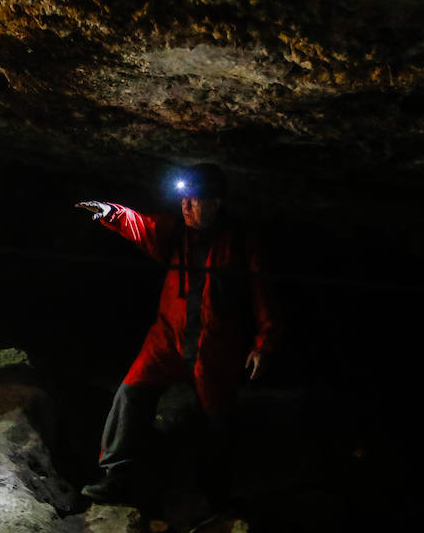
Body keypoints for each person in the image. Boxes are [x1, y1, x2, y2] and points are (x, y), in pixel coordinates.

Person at [76, 163, 280, 505]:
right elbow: (142, 225)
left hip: (215, 347)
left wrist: (264, 345)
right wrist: (111, 212)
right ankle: (118, 476)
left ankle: (215, 490)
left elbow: (264, 296)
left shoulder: (241, 243)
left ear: (215, 203)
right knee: (130, 393)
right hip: (167, 339)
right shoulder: (176, 233)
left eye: (194, 201)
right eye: (184, 200)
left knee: (216, 417)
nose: (185, 207)